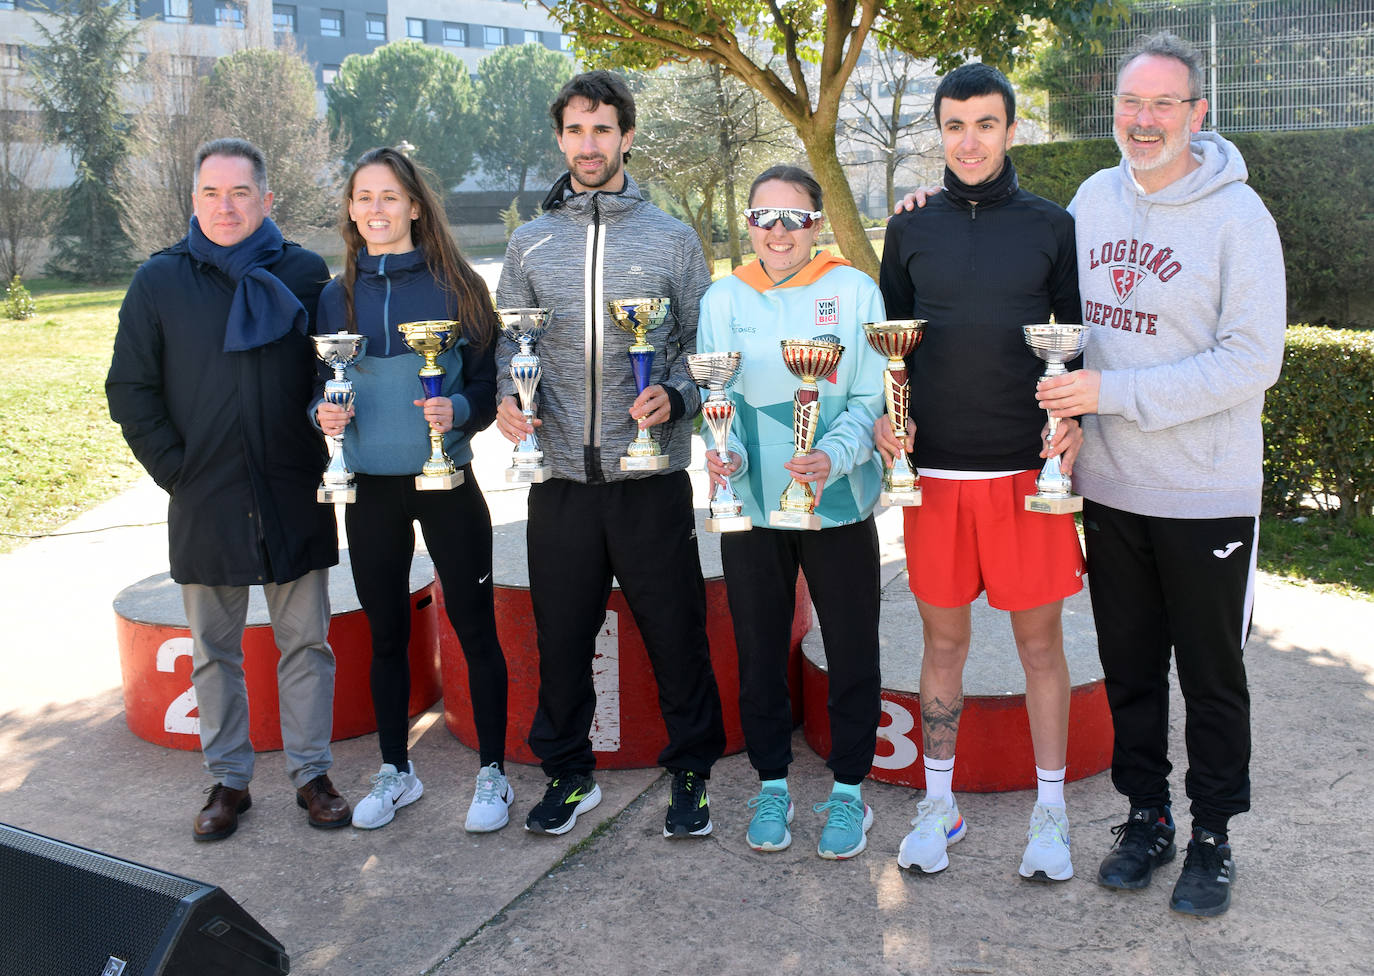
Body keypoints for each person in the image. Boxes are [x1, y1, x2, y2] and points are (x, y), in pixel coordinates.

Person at [1036, 32, 1285, 916]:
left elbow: (1253, 360)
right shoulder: (1093, 197)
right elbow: (1067, 326)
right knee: (1131, 668)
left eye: (1163, 105)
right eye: (1131, 104)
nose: (1144, 122)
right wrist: (1072, 414)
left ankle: (1213, 834)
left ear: (1196, 114)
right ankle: (1147, 817)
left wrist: (1116, 393)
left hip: (1205, 490)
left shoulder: (1237, 217)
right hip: (1108, 484)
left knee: (1212, 676)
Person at [494, 70, 726, 838]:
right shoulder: (530, 242)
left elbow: (701, 345)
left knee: (674, 629)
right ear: (560, 139)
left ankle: (691, 768)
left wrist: (680, 398)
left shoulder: (671, 239)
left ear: (626, 136)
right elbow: (509, 346)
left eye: (602, 129)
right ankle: (568, 773)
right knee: (560, 636)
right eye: (574, 130)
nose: (587, 144)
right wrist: (507, 399)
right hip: (559, 477)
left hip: (648, 477)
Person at [875, 63, 1085, 881]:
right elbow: (892, 349)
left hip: (1025, 478)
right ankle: (939, 804)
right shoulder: (909, 228)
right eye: (955, 125)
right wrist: (895, 425)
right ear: (940, 130)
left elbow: (1074, 343)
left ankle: (1052, 812)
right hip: (935, 480)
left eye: (986, 124)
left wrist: (1069, 424)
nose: (970, 140)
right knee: (944, 644)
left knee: (1039, 647)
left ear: (1010, 129)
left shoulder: (1051, 225)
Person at [106, 138, 350, 840]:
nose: (225, 205)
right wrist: (176, 471)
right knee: (214, 650)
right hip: (203, 497)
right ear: (193, 201)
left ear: (266, 200)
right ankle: (229, 782)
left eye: (240, 192)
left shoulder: (303, 272)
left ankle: (312, 774)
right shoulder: (160, 282)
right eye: (211, 192)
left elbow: (325, 376)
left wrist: (322, 420)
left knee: (307, 642)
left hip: (291, 488)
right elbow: (130, 388)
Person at [312, 147, 511, 832]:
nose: (375, 209)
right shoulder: (334, 294)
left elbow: (488, 386)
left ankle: (493, 774)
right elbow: (318, 390)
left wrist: (458, 412)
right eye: (363, 196)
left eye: (390, 197)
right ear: (350, 208)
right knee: (386, 633)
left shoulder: (457, 285)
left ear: (416, 206)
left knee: (475, 628)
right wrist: (323, 416)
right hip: (370, 490)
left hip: (447, 482)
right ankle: (397, 770)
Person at [698, 166, 886, 859]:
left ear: (817, 226)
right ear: (748, 225)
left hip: (836, 501)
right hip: (752, 508)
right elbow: (718, 402)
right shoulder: (724, 296)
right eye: (763, 216)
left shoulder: (854, 289)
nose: (777, 230)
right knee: (758, 651)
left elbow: (873, 395)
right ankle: (772, 783)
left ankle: (848, 795)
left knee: (851, 646)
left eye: (793, 217)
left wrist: (833, 457)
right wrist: (728, 460)